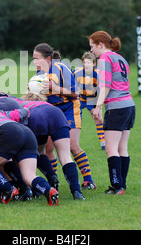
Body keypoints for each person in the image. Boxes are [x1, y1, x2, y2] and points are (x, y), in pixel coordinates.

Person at [32, 43, 97, 190]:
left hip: (69, 108)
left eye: (37, 59)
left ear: (48, 58)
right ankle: (53, 180)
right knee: (48, 148)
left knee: (72, 145)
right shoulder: (38, 74)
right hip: (51, 111)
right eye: (33, 59)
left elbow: (75, 93)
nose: (34, 62)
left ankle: (88, 180)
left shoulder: (62, 68)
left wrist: (55, 88)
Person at [88, 31, 136, 195]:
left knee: (111, 149)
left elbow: (105, 86)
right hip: (129, 106)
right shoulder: (120, 57)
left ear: (100, 45)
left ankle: (117, 185)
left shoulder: (105, 58)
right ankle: (121, 185)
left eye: (92, 47)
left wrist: (98, 106)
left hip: (116, 108)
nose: (92, 51)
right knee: (123, 147)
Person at [73, 51, 106, 149]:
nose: (86, 64)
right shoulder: (76, 72)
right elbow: (71, 86)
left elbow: (101, 91)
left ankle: (103, 142)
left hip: (92, 99)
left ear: (94, 64)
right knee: (75, 121)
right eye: (84, 62)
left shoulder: (98, 74)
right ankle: (73, 143)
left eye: (88, 62)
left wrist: (97, 107)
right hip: (79, 98)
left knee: (98, 119)